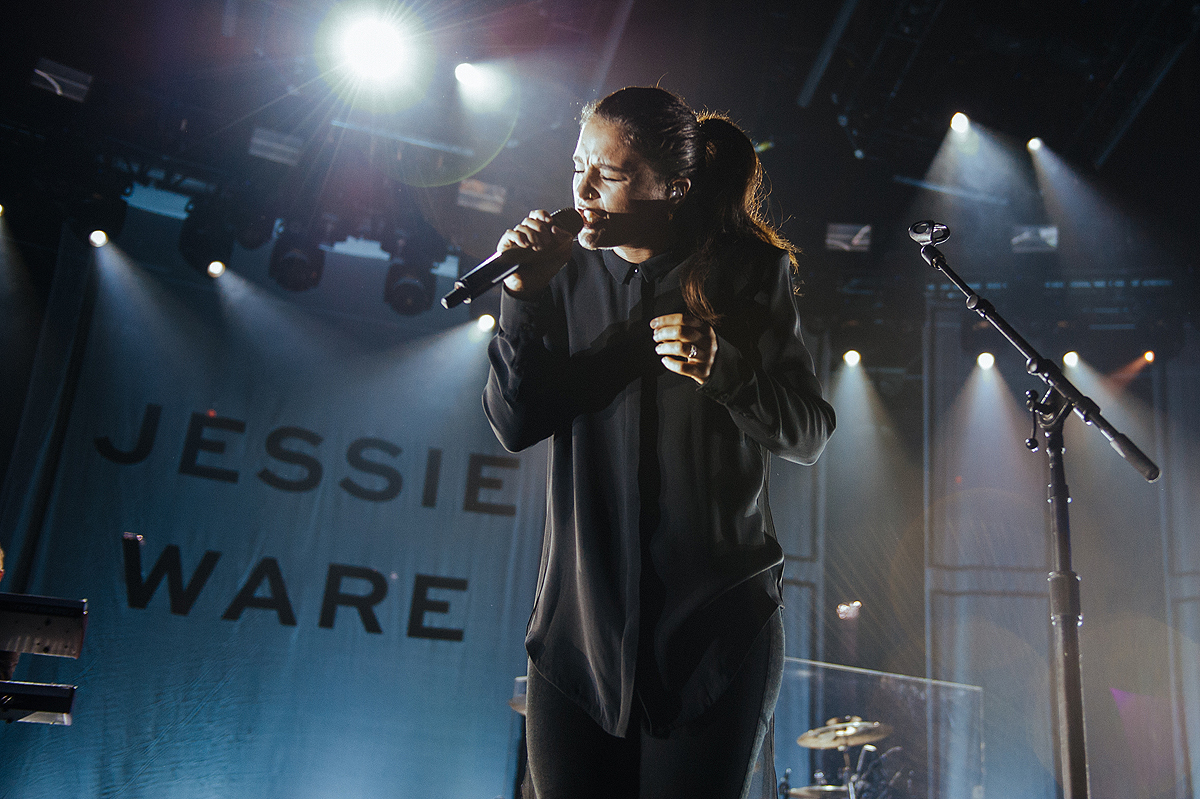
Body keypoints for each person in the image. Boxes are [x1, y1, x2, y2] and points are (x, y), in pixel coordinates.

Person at [483, 86, 835, 799]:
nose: (580, 189)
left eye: (607, 174)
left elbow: (807, 433)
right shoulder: (561, 271)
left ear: (673, 185)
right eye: (578, 164)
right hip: (578, 637)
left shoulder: (747, 274)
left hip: (713, 637)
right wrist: (520, 294)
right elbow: (516, 423)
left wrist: (724, 368)